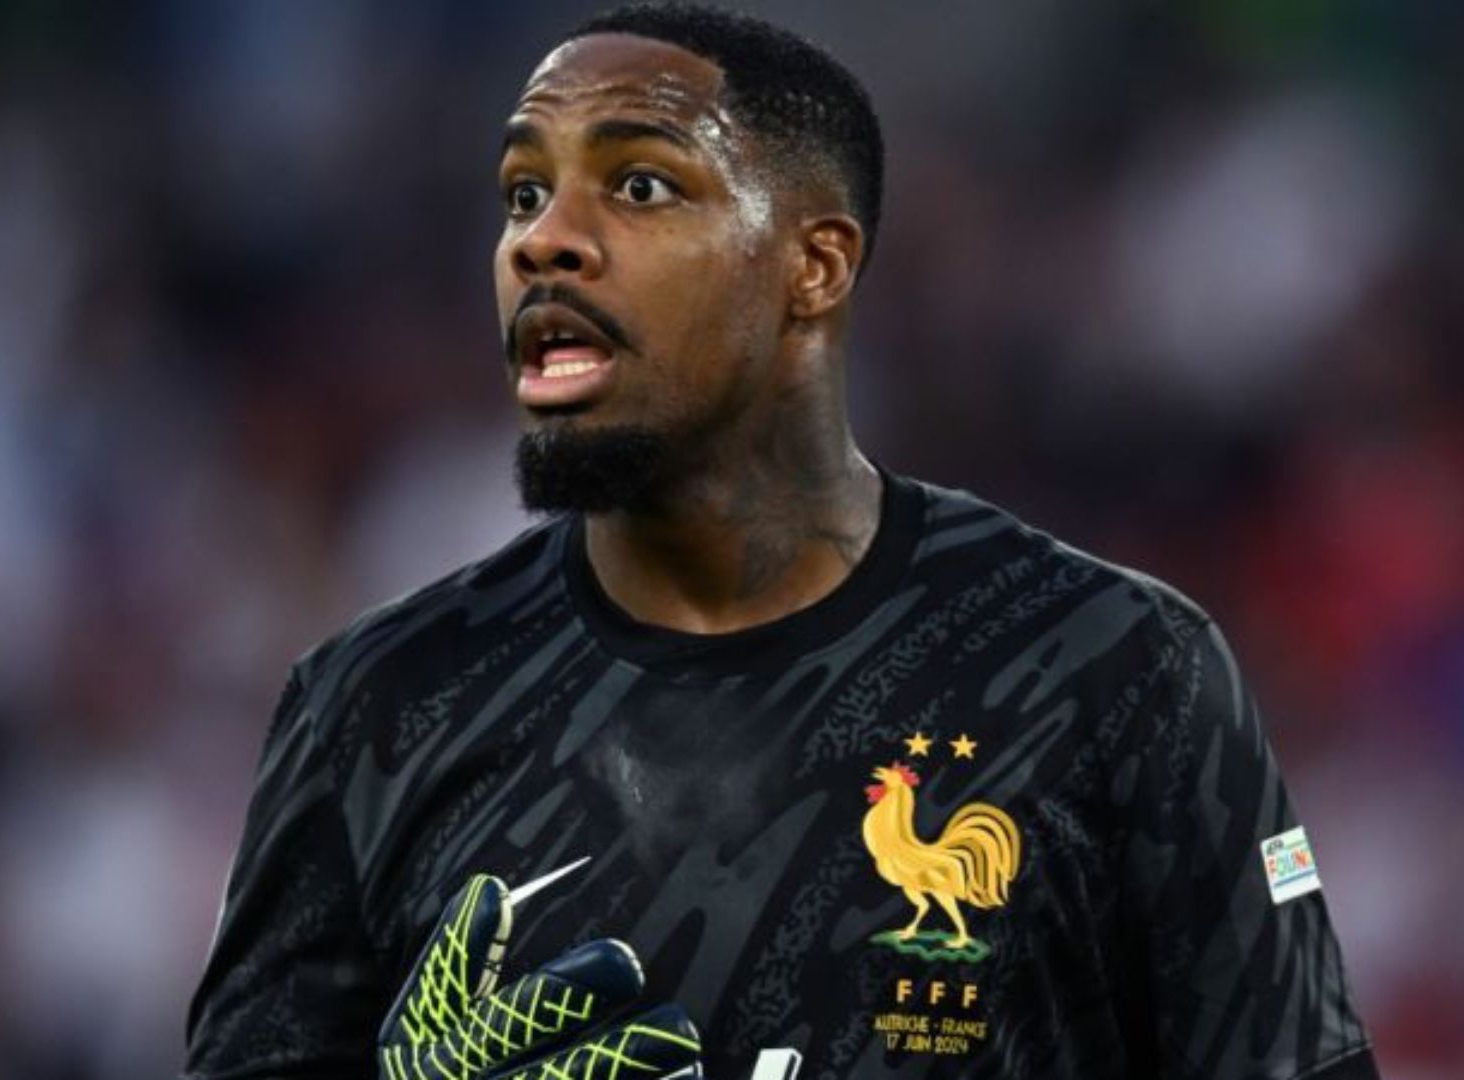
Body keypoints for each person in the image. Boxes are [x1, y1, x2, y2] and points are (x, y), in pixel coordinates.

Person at [182, 4, 1381, 1078]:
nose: (544, 240)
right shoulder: (372, 712)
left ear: (814, 266)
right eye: (522, 193)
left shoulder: (1123, 673)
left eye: (638, 185)